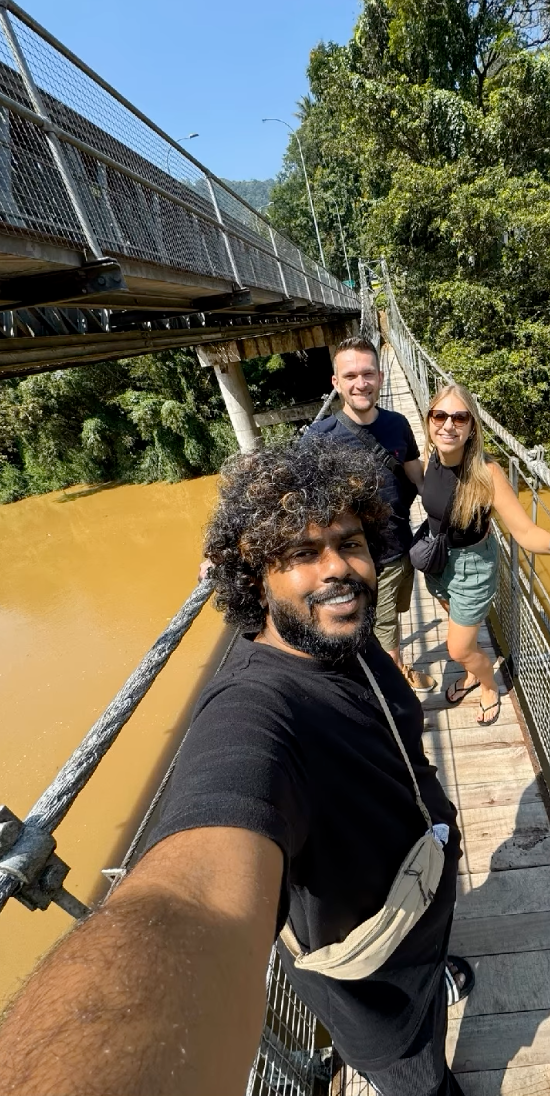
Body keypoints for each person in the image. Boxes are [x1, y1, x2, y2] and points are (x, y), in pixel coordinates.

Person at [0, 438, 466, 1096]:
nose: (338, 568)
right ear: (254, 576)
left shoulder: (343, 635)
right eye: (302, 553)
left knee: (431, 993)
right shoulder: (254, 707)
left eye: (350, 543)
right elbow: (192, 900)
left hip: (424, 902)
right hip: (374, 976)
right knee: (418, 1074)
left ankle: (437, 978)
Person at [422, 383, 550, 726]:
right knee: (459, 629)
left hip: (472, 568)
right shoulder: (431, 457)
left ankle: (488, 684)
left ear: (472, 426)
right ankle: (471, 672)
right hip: (438, 561)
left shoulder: (487, 473)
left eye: (460, 418)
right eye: (439, 416)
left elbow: (524, 531)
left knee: (458, 649)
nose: (448, 425)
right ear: (429, 420)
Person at [307, 335, 436, 693]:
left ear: (380, 377)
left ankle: (382, 674)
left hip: (398, 548)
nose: (360, 383)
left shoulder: (398, 424)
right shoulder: (318, 437)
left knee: (389, 618)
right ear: (336, 383)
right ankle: (395, 690)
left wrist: (459, 508)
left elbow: (417, 477)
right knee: (378, 626)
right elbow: (291, 499)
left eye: (367, 374)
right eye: (350, 376)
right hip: (352, 559)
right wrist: (225, 550)